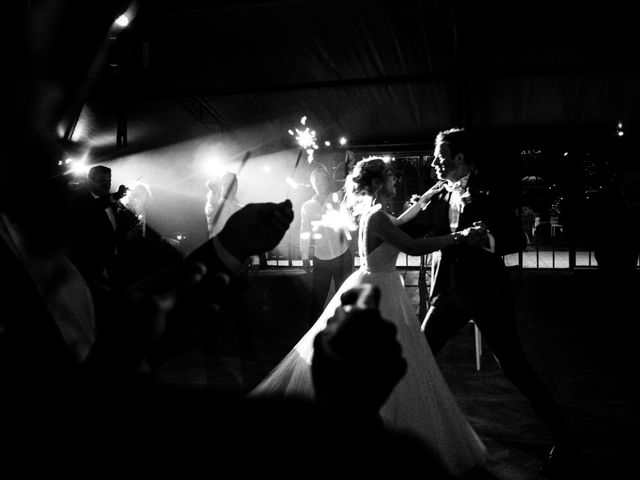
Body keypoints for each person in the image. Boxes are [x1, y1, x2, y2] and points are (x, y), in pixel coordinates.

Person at [251, 157, 489, 477]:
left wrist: (427, 198)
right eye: (389, 176)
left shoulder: (372, 213)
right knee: (386, 358)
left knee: (375, 360)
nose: (394, 180)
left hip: (374, 280)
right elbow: (413, 246)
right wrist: (458, 237)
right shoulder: (376, 217)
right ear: (377, 183)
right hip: (380, 289)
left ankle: (378, 420)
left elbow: (399, 222)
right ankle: (384, 426)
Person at [401, 128, 578, 476]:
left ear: (460, 158)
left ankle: (566, 441)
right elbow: (415, 230)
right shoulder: (437, 194)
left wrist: (486, 239)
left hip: (486, 295)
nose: (435, 161)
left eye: (441, 155)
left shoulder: (490, 191)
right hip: (447, 295)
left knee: (515, 368)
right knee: (419, 356)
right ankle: (410, 435)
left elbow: (515, 241)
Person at [300, 166, 353, 325]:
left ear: (328, 181)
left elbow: (351, 187)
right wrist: (304, 257)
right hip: (321, 259)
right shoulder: (307, 206)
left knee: (345, 297)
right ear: (312, 183)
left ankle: (346, 331)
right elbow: (305, 231)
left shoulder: (339, 197)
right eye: (317, 180)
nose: (320, 182)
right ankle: (312, 334)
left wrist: (349, 169)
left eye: (323, 179)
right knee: (317, 299)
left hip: (342, 255)